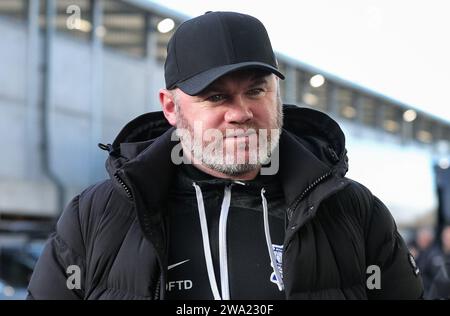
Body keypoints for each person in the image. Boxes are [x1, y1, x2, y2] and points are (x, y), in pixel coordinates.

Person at [27, 11, 423, 300]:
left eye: (256, 90)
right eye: (215, 96)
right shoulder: (96, 218)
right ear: (170, 108)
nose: (240, 113)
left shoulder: (354, 212)